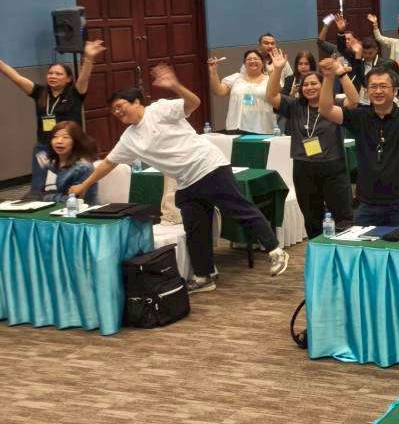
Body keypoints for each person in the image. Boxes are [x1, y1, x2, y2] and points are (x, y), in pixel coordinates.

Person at [70, 65, 289, 291]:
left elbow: (193, 103)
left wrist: (175, 85)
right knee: (195, 228)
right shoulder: (129, 138)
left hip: (209, 167)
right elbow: (108, 163)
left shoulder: (159, 110)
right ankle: (204, 276)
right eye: (114, 110)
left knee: (240, 210)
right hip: (186, 182)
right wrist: (84, 185)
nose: (117, 112)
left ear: (136, 102)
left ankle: (275, 251)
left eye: (120, 106)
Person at [317, 58, 399, 227]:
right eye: (373, 87)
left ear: (395, 90)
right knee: (364, 243)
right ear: (367, 91)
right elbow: (325, 110)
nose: (378, 91)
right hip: (367, 203)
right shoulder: (359, 116)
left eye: (383, 86)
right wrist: (328, 77)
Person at [265, 49, 357, 238]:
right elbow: (271, 96)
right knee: (312, 218)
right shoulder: (294, 106)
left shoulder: (334, 104)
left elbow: (354, 100)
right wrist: (277, 70)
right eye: (305, 84)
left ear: (324, 85)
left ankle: (344, 251)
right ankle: (317, 251)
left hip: (333, 167)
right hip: (304, 168)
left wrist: (341, 74)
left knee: (343, 217)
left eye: (314, 83)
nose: (309, 87)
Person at [1, 40, 101, 197]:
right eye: (50, 73)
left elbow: (84, 77)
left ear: (68, 79)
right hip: (44, 148)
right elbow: (15, 77)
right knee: (39, 188)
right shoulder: (40, 93)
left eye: (58, 74)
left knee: (67, 187)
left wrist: (88, 58)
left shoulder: (75, 94)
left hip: (70, 148)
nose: (53, 76)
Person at [208, 49, 277, 134]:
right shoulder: (235, 78)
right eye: (249, 59)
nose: (252, 61)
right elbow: (219, 91)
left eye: (256, 59)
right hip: (236, 127)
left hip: (262, 127)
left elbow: (277, 95)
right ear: (244, 63)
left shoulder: (270, 79)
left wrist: (274, 72)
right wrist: (213, 72)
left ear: (263, 63)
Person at [40, 121, 100, 205]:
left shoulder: (83, 167)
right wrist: (47, 197)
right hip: (57, 208)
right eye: (55, 137)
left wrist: (48, 197)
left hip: (84, 210)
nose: (59, 141)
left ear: (76, 142)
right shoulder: (50, 164)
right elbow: (42, 192)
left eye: (65, 137)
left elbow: (77, 201)